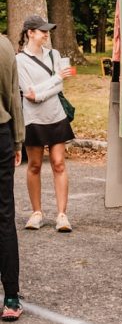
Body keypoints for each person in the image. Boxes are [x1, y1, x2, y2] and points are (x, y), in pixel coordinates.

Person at [15, 15, 75, 233]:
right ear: (30, 33)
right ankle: (36, 212)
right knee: (35, 165)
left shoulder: (54, 55)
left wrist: (42, 92)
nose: (46, 34)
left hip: (56, 115)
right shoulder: (19, 60)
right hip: (33, 118)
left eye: (47, 31)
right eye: (42, 31)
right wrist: (55, 79)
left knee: (59, 163)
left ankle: (62, 215)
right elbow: (28, 93)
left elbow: (57, 88)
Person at [0, 33, 25, 321]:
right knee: (5, 216)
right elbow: (13, 97)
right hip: (1, 134)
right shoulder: (5, 46)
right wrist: (18, 141)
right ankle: (11, 295)